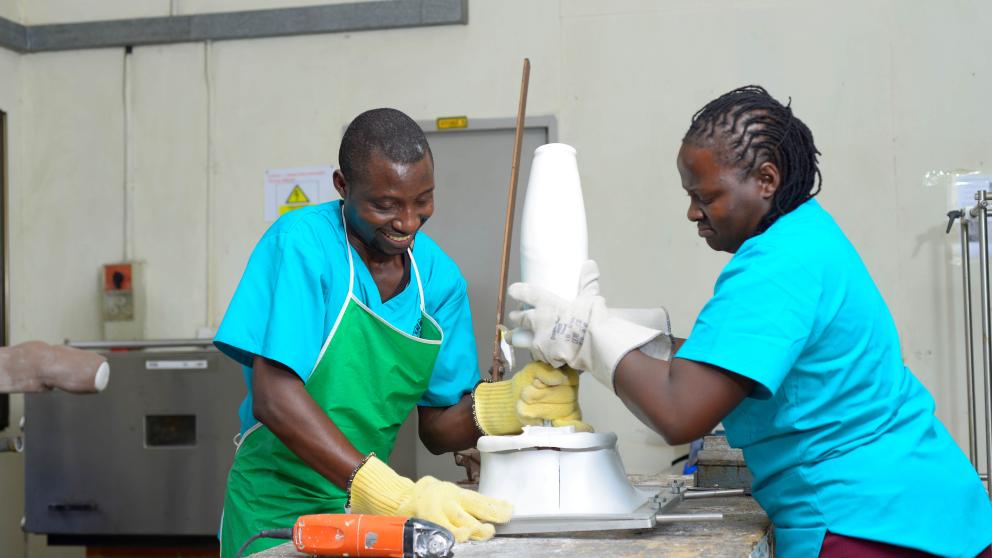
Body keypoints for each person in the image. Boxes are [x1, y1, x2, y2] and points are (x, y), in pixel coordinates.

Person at [508, 86, 992, 557]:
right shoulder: (805, 235)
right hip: (920, 504)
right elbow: (732, 360)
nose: (693, 212)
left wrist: (586, 336)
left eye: (707, 195)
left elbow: (681, 412)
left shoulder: (777, 265)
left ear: (766, 179)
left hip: (871, 522)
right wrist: (632, 338)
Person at [214, 108, 587, 557]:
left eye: (423, 200)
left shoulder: (439, 280)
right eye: (385, 204)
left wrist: (509, 405)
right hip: (274, 510)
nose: (407, 222)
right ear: (342, 186)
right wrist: (388, 492)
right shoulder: (303, 244)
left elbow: (439, 427)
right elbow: (274, 397)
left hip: (363, 514)